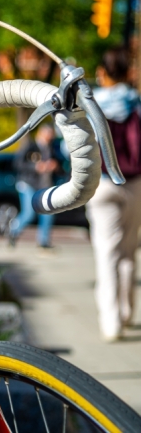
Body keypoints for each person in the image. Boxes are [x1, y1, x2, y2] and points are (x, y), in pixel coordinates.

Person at [88, 47, 141, 341]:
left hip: (103, 183)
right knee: (128, 252)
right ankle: (126, 312)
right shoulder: (136, 103)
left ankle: (111, 324)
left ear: (105, 73)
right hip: (135, 183)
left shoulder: (93, 104)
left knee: (106, 253)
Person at [7, 123, 63, 248]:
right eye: (48, 134)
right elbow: (18, 163)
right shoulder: (31, 145)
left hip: (45, 185)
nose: (50, 137)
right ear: (41, 133)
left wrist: (55, 166)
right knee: (29, 213)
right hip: (28, 183)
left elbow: (61, 166)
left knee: (48, 212)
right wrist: (36, 167)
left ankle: (43, 241)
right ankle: (13, 231)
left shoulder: (52, 148)